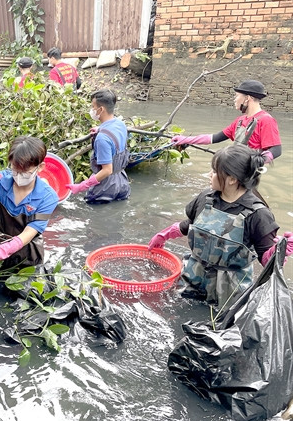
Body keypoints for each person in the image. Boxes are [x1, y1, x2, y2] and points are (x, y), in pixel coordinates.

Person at [148, 144, 293, 307]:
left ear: (232, 179)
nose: (210, 174)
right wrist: (164, 235)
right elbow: (190, 224)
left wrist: (279, 252)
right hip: (193, 277)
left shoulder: (258, 215)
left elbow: (266, 261)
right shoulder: (205, 197)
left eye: (215, 171)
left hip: (230, 292)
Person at [0, 136, 59, 270]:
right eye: (15, 170)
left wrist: (0, 252)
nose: (19, 176)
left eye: (25, 172)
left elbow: (29, 233)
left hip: (27, 256)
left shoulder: (48, 197)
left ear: (40, 167)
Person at [171, 80, 282, 163]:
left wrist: (257, 162)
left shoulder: (266, 120)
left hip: (247, 173)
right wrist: (185, 139)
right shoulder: (240, 121)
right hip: (233, 166)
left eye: (237, 96)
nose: (234, 100)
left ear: (247, 98)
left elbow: (276, 149)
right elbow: (214, 138)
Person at [67, 89, 130, 203]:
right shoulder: (120, 124)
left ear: (101, 109)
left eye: (93, 107)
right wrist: (100, 129)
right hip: (122, 183)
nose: (92, 110)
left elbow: (107, 171)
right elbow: (115, 140)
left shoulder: (102, 138)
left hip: (105, 188)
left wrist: (82, 186)